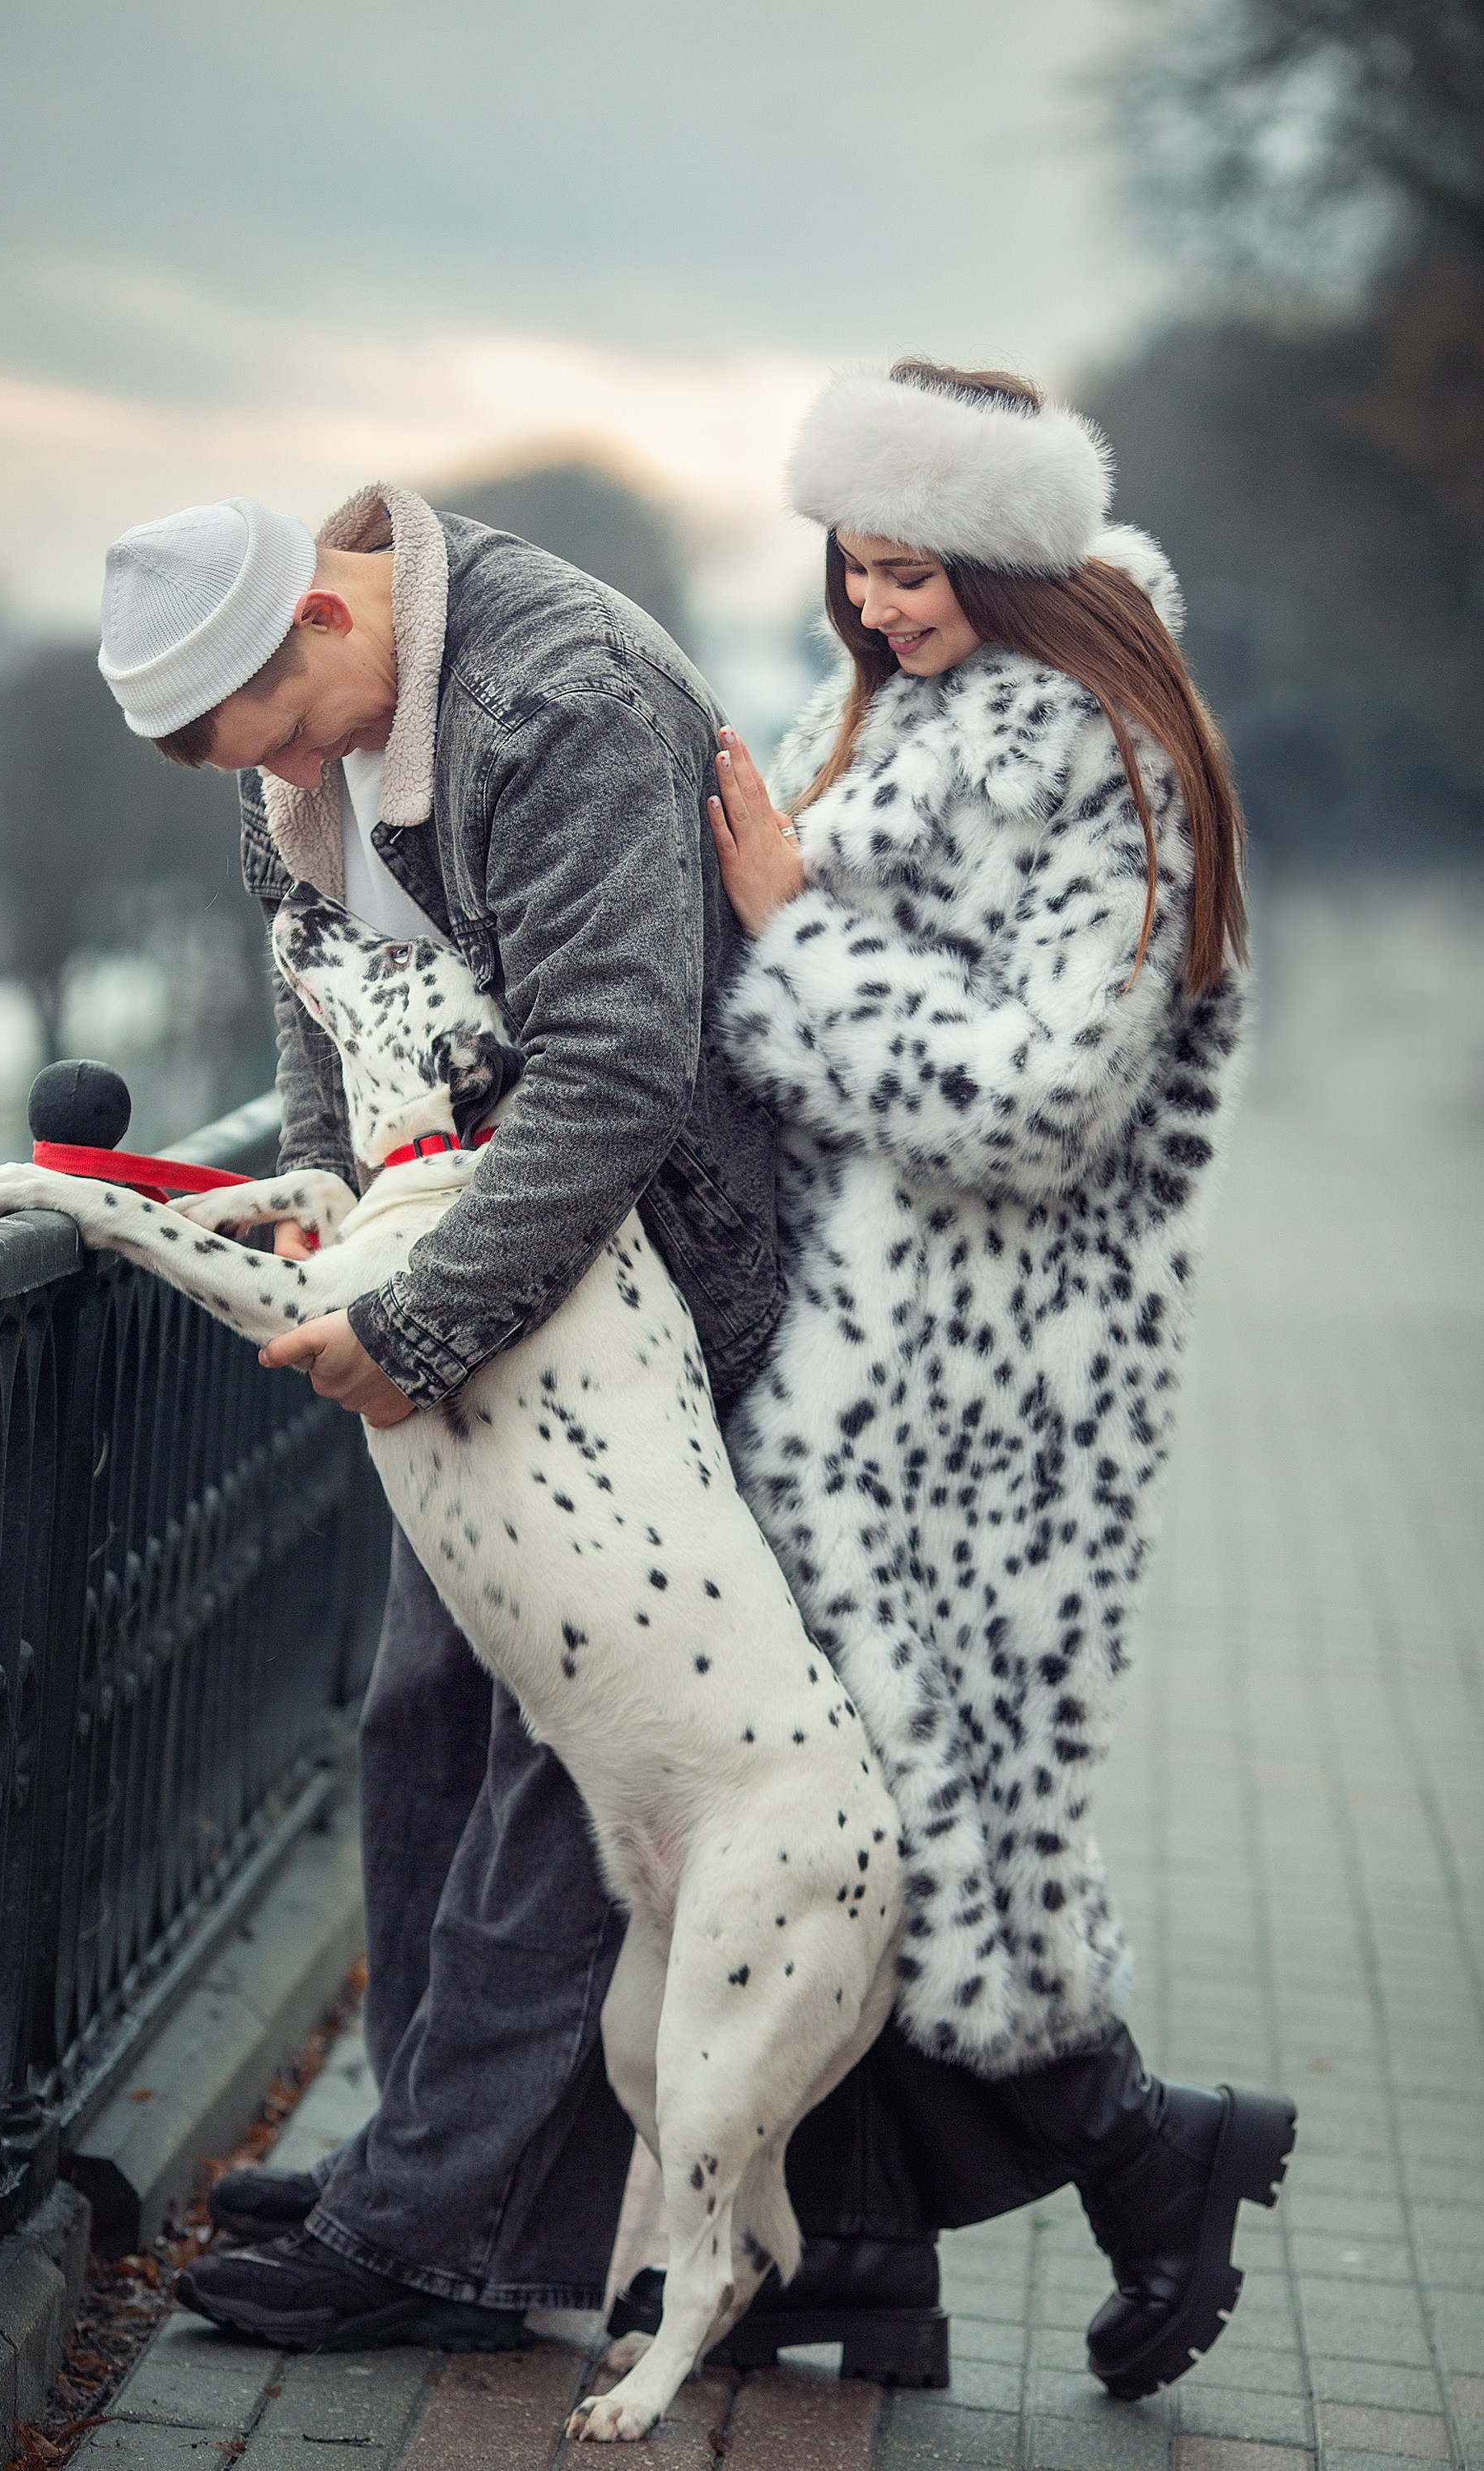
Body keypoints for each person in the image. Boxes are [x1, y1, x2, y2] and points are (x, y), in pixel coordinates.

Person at [619, 360, 1298, 2403]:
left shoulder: (1101, 753)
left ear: (1012, 563)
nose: (872, 601)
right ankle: (871, 2260)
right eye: (852, 562)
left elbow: (1043, 1094)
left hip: (980, 1390)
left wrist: (790, 931)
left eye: (909, 567)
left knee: (919, 1804)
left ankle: (1139, 2147)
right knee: (884, 1806)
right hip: (888, 1363)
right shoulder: (951, 720)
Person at [93, 481, 786, 2348]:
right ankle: (424, 2163)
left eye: (271, 735)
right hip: (482, 1292)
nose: (270, 780)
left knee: (547, 1775)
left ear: (320, 622)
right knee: (421, 1716)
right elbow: (318, 1009)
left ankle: (445, 2235)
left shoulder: (553, 697)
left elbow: (621, 1062)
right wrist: (330, 1209)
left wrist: (413, 1317)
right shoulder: (304, 738)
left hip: (652, 1298)